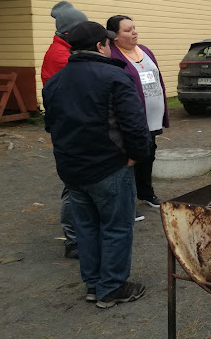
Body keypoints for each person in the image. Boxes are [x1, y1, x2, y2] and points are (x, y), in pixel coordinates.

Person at [42, 21, 151, 309]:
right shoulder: (114, 76)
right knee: (116, 227)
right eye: (107, 42)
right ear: (100, 46)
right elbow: (134, 123)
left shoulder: (55, 81)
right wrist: (137, 155)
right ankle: (112, 287)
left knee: (87, 227)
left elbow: (51, 126)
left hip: (73, 170)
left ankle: (93, 284)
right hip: (109, 167)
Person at [106, 15, 169, 210]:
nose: (134, 32)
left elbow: (157, 78)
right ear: (115, 36)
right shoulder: (113, 56)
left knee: (148, 154)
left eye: (134, 28)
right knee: (130, 157)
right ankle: (126, 201)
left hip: (152, 118)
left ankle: (146, 192)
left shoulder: (145, 50)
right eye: (127, 30)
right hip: (132, 119)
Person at [41, 1, 88, 259]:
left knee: (77, 183)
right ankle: (72, 240)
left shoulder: (66, 49)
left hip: (72, 126)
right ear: (69, 31)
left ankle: (78, 234)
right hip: (69, 129)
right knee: (73, 186)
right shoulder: (62, 56)